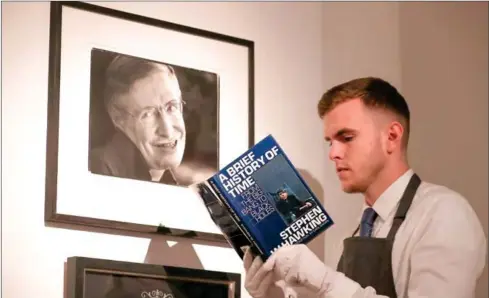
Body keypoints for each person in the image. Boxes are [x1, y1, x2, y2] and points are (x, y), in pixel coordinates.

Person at [243, 77, 487, 298]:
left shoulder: (444, 214)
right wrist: (274, 295)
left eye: (347, 138)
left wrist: (326, 282)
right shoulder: (352, 236)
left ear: (391, 136)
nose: (333, 153)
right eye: (330, 142)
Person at [89, 55, 214, 186]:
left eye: (172, 107)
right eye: (148, 114)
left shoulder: (173, 179)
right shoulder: (99, 171)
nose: (167, 131)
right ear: (119, 120)